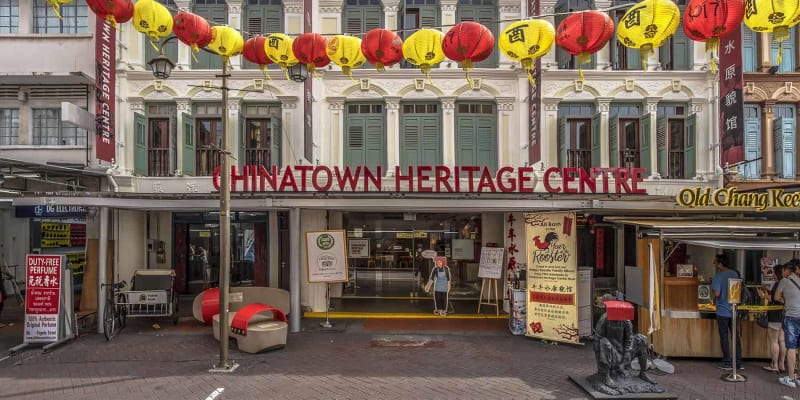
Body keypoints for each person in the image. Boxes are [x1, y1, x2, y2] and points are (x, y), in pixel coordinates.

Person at [593, 302, 655, 390]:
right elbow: (597, 338)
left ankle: (643, 372)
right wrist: (600, 364)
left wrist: (626, 357)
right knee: (603, 342)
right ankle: (605, 376)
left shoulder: (626, 321)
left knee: (642, 339)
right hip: (610, 352)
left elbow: (629, 339)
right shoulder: (604, 318)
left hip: (623, 352)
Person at [711, 253, 743, 371]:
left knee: (724, 336)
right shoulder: (735, 274)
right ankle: (738, 361)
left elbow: (717, 294)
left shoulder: (718, 277)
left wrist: (713, 292)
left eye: (715, 262)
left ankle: (727, 362)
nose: (714, 264)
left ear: (720, 263)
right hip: (734, 310)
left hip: (723, 311)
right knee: (735, 336)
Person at [776, 262, 800, 387]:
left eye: (782, 270)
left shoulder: (784, 281)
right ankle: (799, 377)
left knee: (791, 347)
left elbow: (776, 297)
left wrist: (786, 301)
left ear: (786, 270)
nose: (782, 273)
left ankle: (790, 378)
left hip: (792, 317)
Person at [762, 264, 788, 374]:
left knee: (773, 341)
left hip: (775, 315)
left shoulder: (778, 284)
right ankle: (782, 364)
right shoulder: (787, 284)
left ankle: (775, 365)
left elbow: (774, 298)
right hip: (784, 315)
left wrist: (763, 295)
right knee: (782, 341)